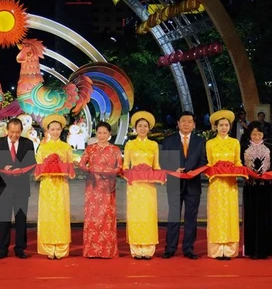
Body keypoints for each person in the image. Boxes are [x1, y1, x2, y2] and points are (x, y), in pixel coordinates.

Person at [161, 111, 207, 260]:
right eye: (183, 121)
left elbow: (204, 161)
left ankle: (188, 248)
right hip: (175, 183)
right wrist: (174, 169)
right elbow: (164, 161)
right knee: (173, 216)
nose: (186, 124)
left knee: (191, 218)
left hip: (193, 184)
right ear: (178, 123)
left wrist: (193, 171)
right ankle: (170, 248)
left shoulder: (200, 142)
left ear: (194, 125)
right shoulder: (169, 140)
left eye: (189, 121)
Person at [0, 118, 36, 259]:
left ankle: (20, 248)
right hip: (5, 187)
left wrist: (21, 170)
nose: (14, 135)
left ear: (22, 131)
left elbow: (32, 163)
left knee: (21, 219)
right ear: (6, 130)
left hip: (22, 187)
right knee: (4, 219)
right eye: (12, 132)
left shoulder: (28, 144)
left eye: (17, 132)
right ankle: (2, 249)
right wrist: (3, 169)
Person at [78, 121, 122, 258]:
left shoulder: (115, 150)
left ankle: (107, 251)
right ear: (96, 133)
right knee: (93, 217)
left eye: (105, 133)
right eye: (99, 133)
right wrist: (91, 169)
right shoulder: (90, 149)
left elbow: (120, 167)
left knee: (107, 217)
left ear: (110, 134)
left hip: (108, 187)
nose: (102, 135)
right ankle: (91, 251)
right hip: (93, 186)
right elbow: (81, 164)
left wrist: (108, 171)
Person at [123, 111, 162, 260]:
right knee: (135, 214)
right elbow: (126, 165)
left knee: (148, 214)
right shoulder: (130, 144)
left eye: (145, 126)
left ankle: (148, 248)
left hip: (148, 186)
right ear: (135, 127)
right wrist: (130, 173)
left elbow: (156, 165)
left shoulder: (153, 145)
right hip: (134, 186)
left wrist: (159, 175)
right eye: (140, 126)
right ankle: (136, 248)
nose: (143, 128)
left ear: (149, 128)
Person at [35, 114, 75, 260]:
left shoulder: (66, 147)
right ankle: (48, 248)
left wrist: (62, 168)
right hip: (47, 185)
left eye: (58, 129)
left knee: (61, 214)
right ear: (48, 130)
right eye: (53, 129)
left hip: (61, 185)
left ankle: (61, 248)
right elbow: (38, 167)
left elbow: (70, 168)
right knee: (48, 214)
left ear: (61, 130)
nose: (55, 132)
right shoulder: (43, 148)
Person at [206, 109, 243, 260]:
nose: (224, 127)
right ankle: (216, 249)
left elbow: (238, 162)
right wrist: (213, 172)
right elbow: (209, 163)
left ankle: (229, 249)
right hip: (216, 184)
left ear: (230, 126)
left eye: (226, 125)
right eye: (221, 125)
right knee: (216, 215)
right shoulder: (210, 143)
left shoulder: (235, 143)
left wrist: (237, 171)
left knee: (230, 215)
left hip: (230, 185)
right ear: (216, 127)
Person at [240, 121, 272, 259]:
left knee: (266, 217)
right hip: (250, 187)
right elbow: (239, 165)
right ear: (250, 135)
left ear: (263, 134)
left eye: (259, 133)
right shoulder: (243, 148)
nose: (257, 136)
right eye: (254, 134)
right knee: (251, 217)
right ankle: (252, 249)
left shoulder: (270, 148)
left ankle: (265, 249)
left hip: (267, 188)